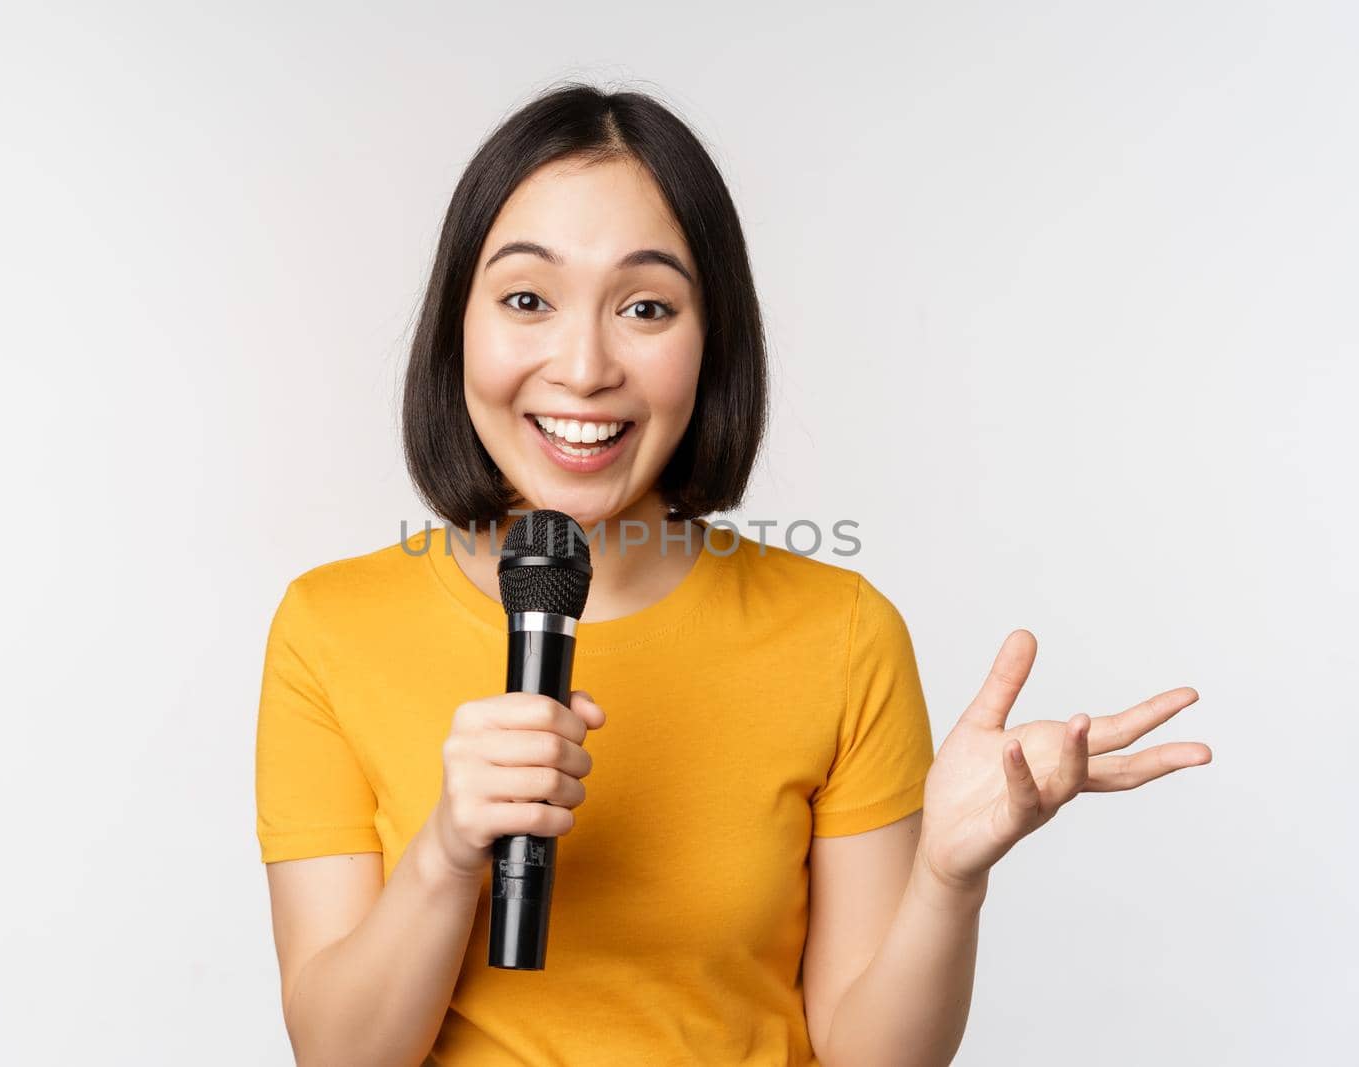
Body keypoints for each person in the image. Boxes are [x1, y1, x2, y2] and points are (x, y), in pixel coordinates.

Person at [254, 82, 1213, 1067]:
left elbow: (872, 1056)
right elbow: (339, 1054)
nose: (582, 366)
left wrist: (945, 878)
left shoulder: (839, 632)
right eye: (527, 299)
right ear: (458, 320)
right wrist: (448, 849)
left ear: (712, 344)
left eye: (645, 306)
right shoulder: (331, 627)